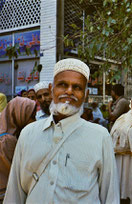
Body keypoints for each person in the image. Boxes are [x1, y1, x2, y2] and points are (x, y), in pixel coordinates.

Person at [4, 58, 119, 203]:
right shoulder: (28, 133)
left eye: (77, 87)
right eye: (62, 85)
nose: (69, 91)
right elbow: (15, 193)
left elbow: (110, 196)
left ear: (85, 94)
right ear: (52, 89)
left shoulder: (100, 136)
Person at [0, 97, 36, 202]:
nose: (34, 121)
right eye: (32, 117)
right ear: (19, 114)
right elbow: (14, 175)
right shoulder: (7, 140)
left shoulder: (5, 131)